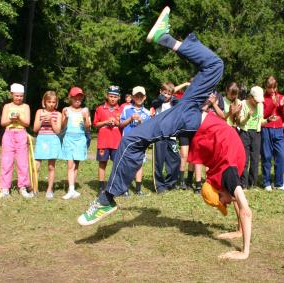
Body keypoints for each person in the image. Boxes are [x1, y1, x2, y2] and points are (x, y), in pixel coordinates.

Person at [78, 6, 223, 226]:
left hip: (186, 114)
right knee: (215, 64)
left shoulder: (199, 103)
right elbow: (213, 65)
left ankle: (107, 199)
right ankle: (164, 38)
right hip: (188, 109)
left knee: (131, 139)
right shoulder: (196, 93)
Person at [190, 111, 252, 260]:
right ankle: (239, 230)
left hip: (217, 130)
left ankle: (244, 247)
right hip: (228, 142)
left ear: (219, 191)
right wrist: (239, 231)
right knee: (235, 195)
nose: (226, 204)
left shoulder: (227, 176)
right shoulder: (217, 179)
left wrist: (244, 252)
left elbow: (247, 211)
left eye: (222, 202)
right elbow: (233, 197)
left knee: (237, 196)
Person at [0, 83, 32, 198]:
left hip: (21, 133)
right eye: (16, 96)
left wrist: (19, 118)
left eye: (21, 96)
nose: (19, 98)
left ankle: (22, 187)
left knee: (23, 162)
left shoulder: (25, 107)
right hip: (8, 134)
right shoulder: (7, 106)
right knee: (6, 162)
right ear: (11, 94)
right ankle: (4, 188)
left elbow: (27, 123)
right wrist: (11, 119)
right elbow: (3, 123)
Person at [60, 87, 91, 199]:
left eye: (80, 98)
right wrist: (66, 118)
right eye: (75, 98)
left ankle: (72, 188)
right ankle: (70, 189)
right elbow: (62, 127)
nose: (78, 100)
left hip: (80, 139)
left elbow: (88, 128)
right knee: (70, 164)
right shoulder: (65, 110)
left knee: (76, 164)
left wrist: (85, 118)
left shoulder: (85, 110)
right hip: (68, 139)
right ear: (70, 98)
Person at [119, 86, 151, 195]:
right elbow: (121, 124)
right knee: (126, 164)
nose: (139, 98)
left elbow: (148, 130)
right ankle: (125, 188)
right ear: (132, 97)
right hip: (127, 141)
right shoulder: (126, 109)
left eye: (141, 96)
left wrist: (141, 121)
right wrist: (130, 119)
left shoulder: (147, 113)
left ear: (145, 97)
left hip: (140, 142)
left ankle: (138, 189)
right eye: (136, 96)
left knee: (139, 164)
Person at [151, 82, 180, 193]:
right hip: (159, 135)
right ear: (160, 92)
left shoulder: (174, 102)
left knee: (175, 159)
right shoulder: (158, 103)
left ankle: (170, 183)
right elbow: (155, 102)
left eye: (169, 94)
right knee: (159, 161)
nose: (167, 96)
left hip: (172, 136)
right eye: (165, 93)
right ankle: (159, 185)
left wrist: (173, 97)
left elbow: (180, 103)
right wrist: (161, 97)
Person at [33, 91, 62, 199]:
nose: (51, 104)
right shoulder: (39, 112)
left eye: (53, 102)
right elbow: (35, 129)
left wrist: (51, 121)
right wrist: (41, 121)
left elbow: (58, 131)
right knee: (36, 166)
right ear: (44, 102)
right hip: (41, 140)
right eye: (49, 101)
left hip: (53, 140)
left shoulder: (58, 114)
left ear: (56, 103)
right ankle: (34, 189)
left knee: (51, 166)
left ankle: (49, 190)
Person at [93, 86, 123, 192]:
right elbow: (95, 124)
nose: (113, 99)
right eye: (111, 96)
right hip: (103, 142)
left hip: (116, 142)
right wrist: (106, 122)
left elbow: (123, 125)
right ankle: (101, 186)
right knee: (102, 163)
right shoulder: (100, 109)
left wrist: (116, 122)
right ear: (107, 96)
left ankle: (115, 185)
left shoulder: (122, 109)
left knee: (117, 164)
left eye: (115, 96)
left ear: (119, 97)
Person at [261, 76, 284, 191]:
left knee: (281, 156)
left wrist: (282, 106)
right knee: (267, 156)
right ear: (265, 87)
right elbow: (263, 115)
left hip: (278, 130)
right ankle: (266, 182)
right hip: (266, 129)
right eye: (269, 88)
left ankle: (279, 183)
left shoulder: (281, 97)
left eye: (274, 87)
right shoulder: (262, 99)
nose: (272, 90)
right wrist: (273, 104)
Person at [237, 86, 264, 189]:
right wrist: (248, 116)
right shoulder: (243, 104)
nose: (257, 103)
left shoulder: (261, 105)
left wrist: (269, 120)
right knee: (244, 159)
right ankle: (243, 183)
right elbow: (240, 122)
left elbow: (261, 121)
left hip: (256, 134)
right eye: (256, 100)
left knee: (255, 159)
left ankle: (252, 183)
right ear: (251, 97)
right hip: (245, 133)